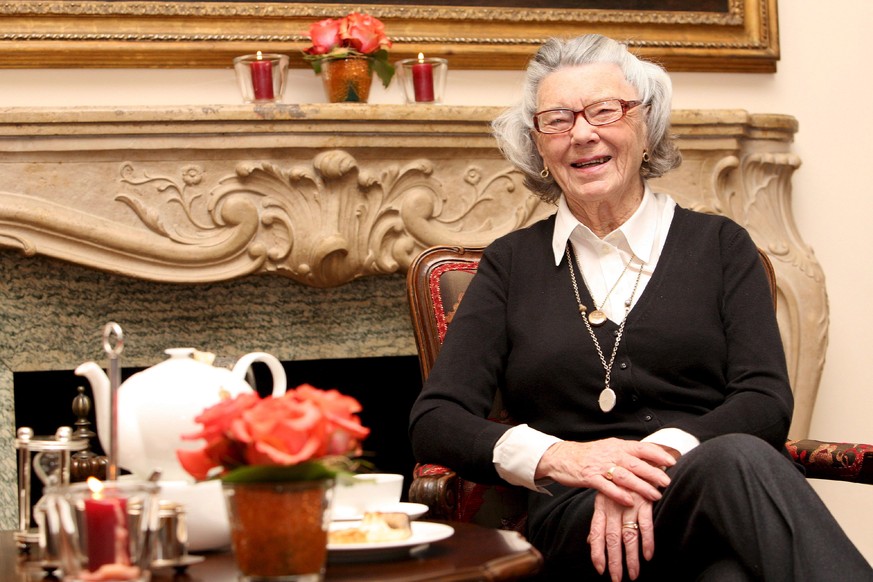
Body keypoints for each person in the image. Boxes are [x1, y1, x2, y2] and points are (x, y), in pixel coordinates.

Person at [408, 34, 873, 581]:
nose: (582, 133)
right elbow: (435, 420)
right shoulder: (511, 265)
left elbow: (764, 400)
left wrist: (647, 465)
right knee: (738, 460)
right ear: (538, 147)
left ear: (646, 127)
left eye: (606, 111)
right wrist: (567, 459)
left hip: (707, 491)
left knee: (728, 569)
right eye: (557, 120)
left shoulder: (721, 246)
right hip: (576, 519)